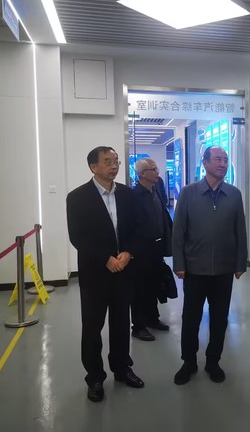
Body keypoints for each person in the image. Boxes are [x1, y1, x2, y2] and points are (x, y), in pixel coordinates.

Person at [66, 146, 144, 403]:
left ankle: (122, 369)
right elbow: (78, 237)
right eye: (108, 162)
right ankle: (95, 377)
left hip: (124, 270)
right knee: (92, 327)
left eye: (116, 161)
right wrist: (106, 259)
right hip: (95, 274)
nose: (114, 166)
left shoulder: (127, 194)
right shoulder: (77, 197)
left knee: (121, 324)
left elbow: (137, 228)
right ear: (93, 167)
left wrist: (128, 253)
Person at [172, 146, 247, 385]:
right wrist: (179, 263)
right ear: (204, 163)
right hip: (194, 269)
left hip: (224, 269)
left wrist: (240, 262)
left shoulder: (234, 194)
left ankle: (213, 361)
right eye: (217, 159)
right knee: (190, 318)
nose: (222, 164)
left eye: (225, 160)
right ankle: (189, 361)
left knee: (220, 318)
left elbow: (240, 230)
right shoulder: (189, 193)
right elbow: (178, 231)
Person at [131, 158, 173, 341]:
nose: (157, 172)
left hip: (157, 248)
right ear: (142, 174)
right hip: (141, 251)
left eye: (157, 169)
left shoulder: (155, 190)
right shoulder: (134, 196)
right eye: (153, 170)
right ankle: (138, 326)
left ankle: (152, 318)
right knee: (140, 289)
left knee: (154, 285)